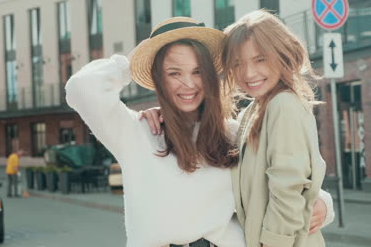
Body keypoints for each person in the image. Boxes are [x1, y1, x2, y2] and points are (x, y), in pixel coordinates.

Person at [66, 17, 245, 247]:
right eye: (174, 73)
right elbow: (81, 88)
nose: (188, 84)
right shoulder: (136, 132)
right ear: (158, 79)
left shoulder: (232, 133)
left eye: (197, 71)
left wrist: (308, 205)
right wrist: (130, 63)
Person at [222, 10, 327, 247]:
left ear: (282, 55)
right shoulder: (255, 110)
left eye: (260, 59)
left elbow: (287, 190)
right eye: (238, 63)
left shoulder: (283, 104)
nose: (248, 73)